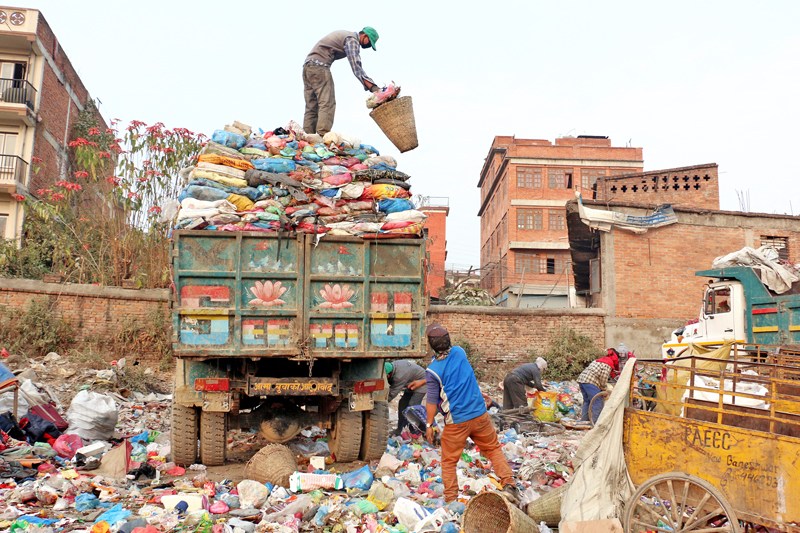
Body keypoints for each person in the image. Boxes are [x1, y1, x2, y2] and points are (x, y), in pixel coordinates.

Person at [423, 324, 521, 506]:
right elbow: (462, 376)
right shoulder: (459, 352)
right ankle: (509, 484)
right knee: (493, 449)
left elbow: (431, 400)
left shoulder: (433, 371)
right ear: (449, 339)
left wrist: (429, 425)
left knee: (449, 461)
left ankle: (452, 499)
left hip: (457, 422)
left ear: (430, 344)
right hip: (480, 415)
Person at [302, 27, 381, 136]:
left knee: (311, 105)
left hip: (308, 68)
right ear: (365, 36)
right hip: (320, 68)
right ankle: (322, 134)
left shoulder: (346, 35)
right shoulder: (352, 40)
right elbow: (356, 67)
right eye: (369, 43)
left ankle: (307, 136)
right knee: (327, 103)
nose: (367, 46)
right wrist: (374, 88)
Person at [577, 348, 621, 424]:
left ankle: (584, 421)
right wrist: (604, 389)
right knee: (597, 401)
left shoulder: (600, 360)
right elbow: (603, 378)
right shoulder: (608, 363)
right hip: (590, 381)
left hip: (582, 380)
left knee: (588, 401)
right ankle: (595, 423)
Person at [385, 360, 426, 435]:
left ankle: (418, 431)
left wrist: (382, 404)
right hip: (410, 383)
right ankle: (400, 429)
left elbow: (392, 393)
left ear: (389, 374)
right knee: (402, 404)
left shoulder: (399, 376)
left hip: (422, 383)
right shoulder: (392, 366)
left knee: (412, 407)